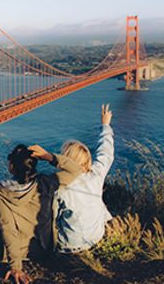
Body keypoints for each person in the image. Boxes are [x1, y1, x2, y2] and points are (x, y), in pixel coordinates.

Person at [0, 143, 82, 284]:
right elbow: (76, 170)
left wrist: (16, 267)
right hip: (44, 248)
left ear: (11, 167)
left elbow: (7, 228)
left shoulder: (1, 192)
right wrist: (49, 157)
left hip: (19, 253)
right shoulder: (46, 183)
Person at [54, 104, 115, 254]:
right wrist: (105, 125)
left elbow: (50, 218)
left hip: (69, 245)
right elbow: (106, 152)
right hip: (96, 237)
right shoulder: (96, 175)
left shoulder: (60, 187)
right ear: (87, 159)